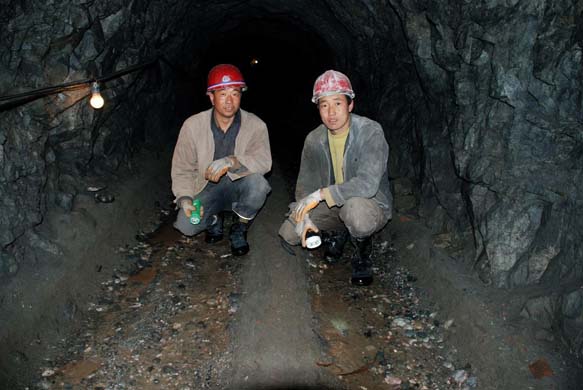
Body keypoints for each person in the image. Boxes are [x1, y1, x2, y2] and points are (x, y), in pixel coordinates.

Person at [278, 69, 392, 285]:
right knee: (289, 232)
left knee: (355, 211)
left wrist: (321, 194)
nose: (331, 112)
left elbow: (367, 185)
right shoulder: (314, 139)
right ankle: (338, 232)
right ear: (318, 109)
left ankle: (362, 255)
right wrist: (306, 219)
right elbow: (305, 188)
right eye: (324, 105)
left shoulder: (370, 132)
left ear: (350, 105)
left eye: (337, 103)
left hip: (368, 204)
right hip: (333, 204)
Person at [172, 64, 272, 256]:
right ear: (211, 97)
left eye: (234, 93)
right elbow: (182, 168)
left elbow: (264, 161)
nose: (229, 101)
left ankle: (240, 226)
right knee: (186, 225)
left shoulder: (256, 125)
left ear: (241, 95)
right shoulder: (193, 126)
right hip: (205, 186)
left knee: (259, 185)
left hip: (238, 185)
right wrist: (185, 199)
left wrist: (232, 161)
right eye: (222, 94)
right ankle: (213, 220)